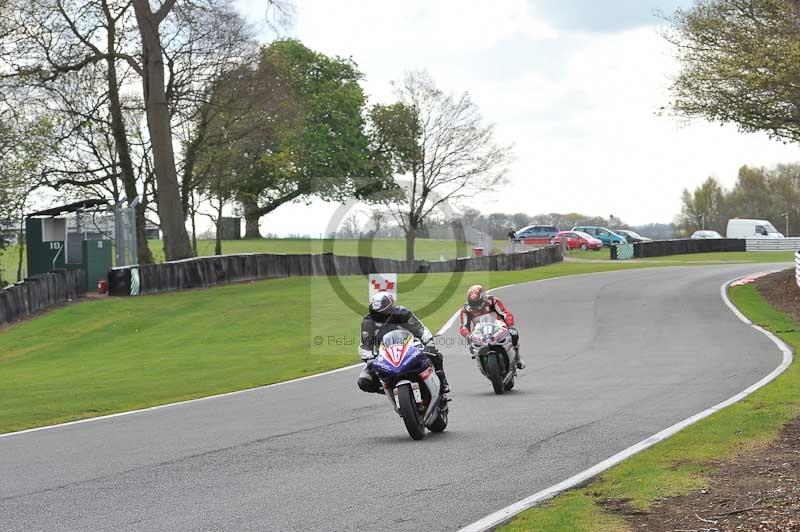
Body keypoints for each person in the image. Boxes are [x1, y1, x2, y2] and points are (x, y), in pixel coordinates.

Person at [357, 291, 450, 396]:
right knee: (364, 381)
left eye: (382, 312)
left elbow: (420, 329)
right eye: (375, 312)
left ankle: (442, 381)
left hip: (410, 347)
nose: (379, 315)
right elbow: (365, 346)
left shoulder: (402, 313)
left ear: (390, 308)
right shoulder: (368, 322)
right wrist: (370, 360)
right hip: (385, 354)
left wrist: (429, 344)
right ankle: (390, 391)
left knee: (434, 355)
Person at [458, 284, 525, 369]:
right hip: (479, 331)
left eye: (476, 301)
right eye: (471, 302)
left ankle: (517, 356)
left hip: (498, 326)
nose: (474, 304)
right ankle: (482, 365)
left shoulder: (493, 300)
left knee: (514, 333)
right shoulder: (466, 309)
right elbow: (464, 326)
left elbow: (505, 313)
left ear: (483, 297)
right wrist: (468, 335)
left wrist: (510, 326)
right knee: (472, 347)